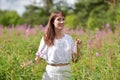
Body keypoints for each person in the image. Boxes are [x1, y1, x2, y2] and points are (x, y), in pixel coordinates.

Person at [35, 11, 82, 80]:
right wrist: (30, 65)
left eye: (63, 19)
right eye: (59, 19)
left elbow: (75, 60)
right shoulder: (47, 38)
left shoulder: (69, 38)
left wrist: (78, 48)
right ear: (52, 22)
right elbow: (38, 57)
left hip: (67, 73)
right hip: (51, 73)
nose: (62, 22)